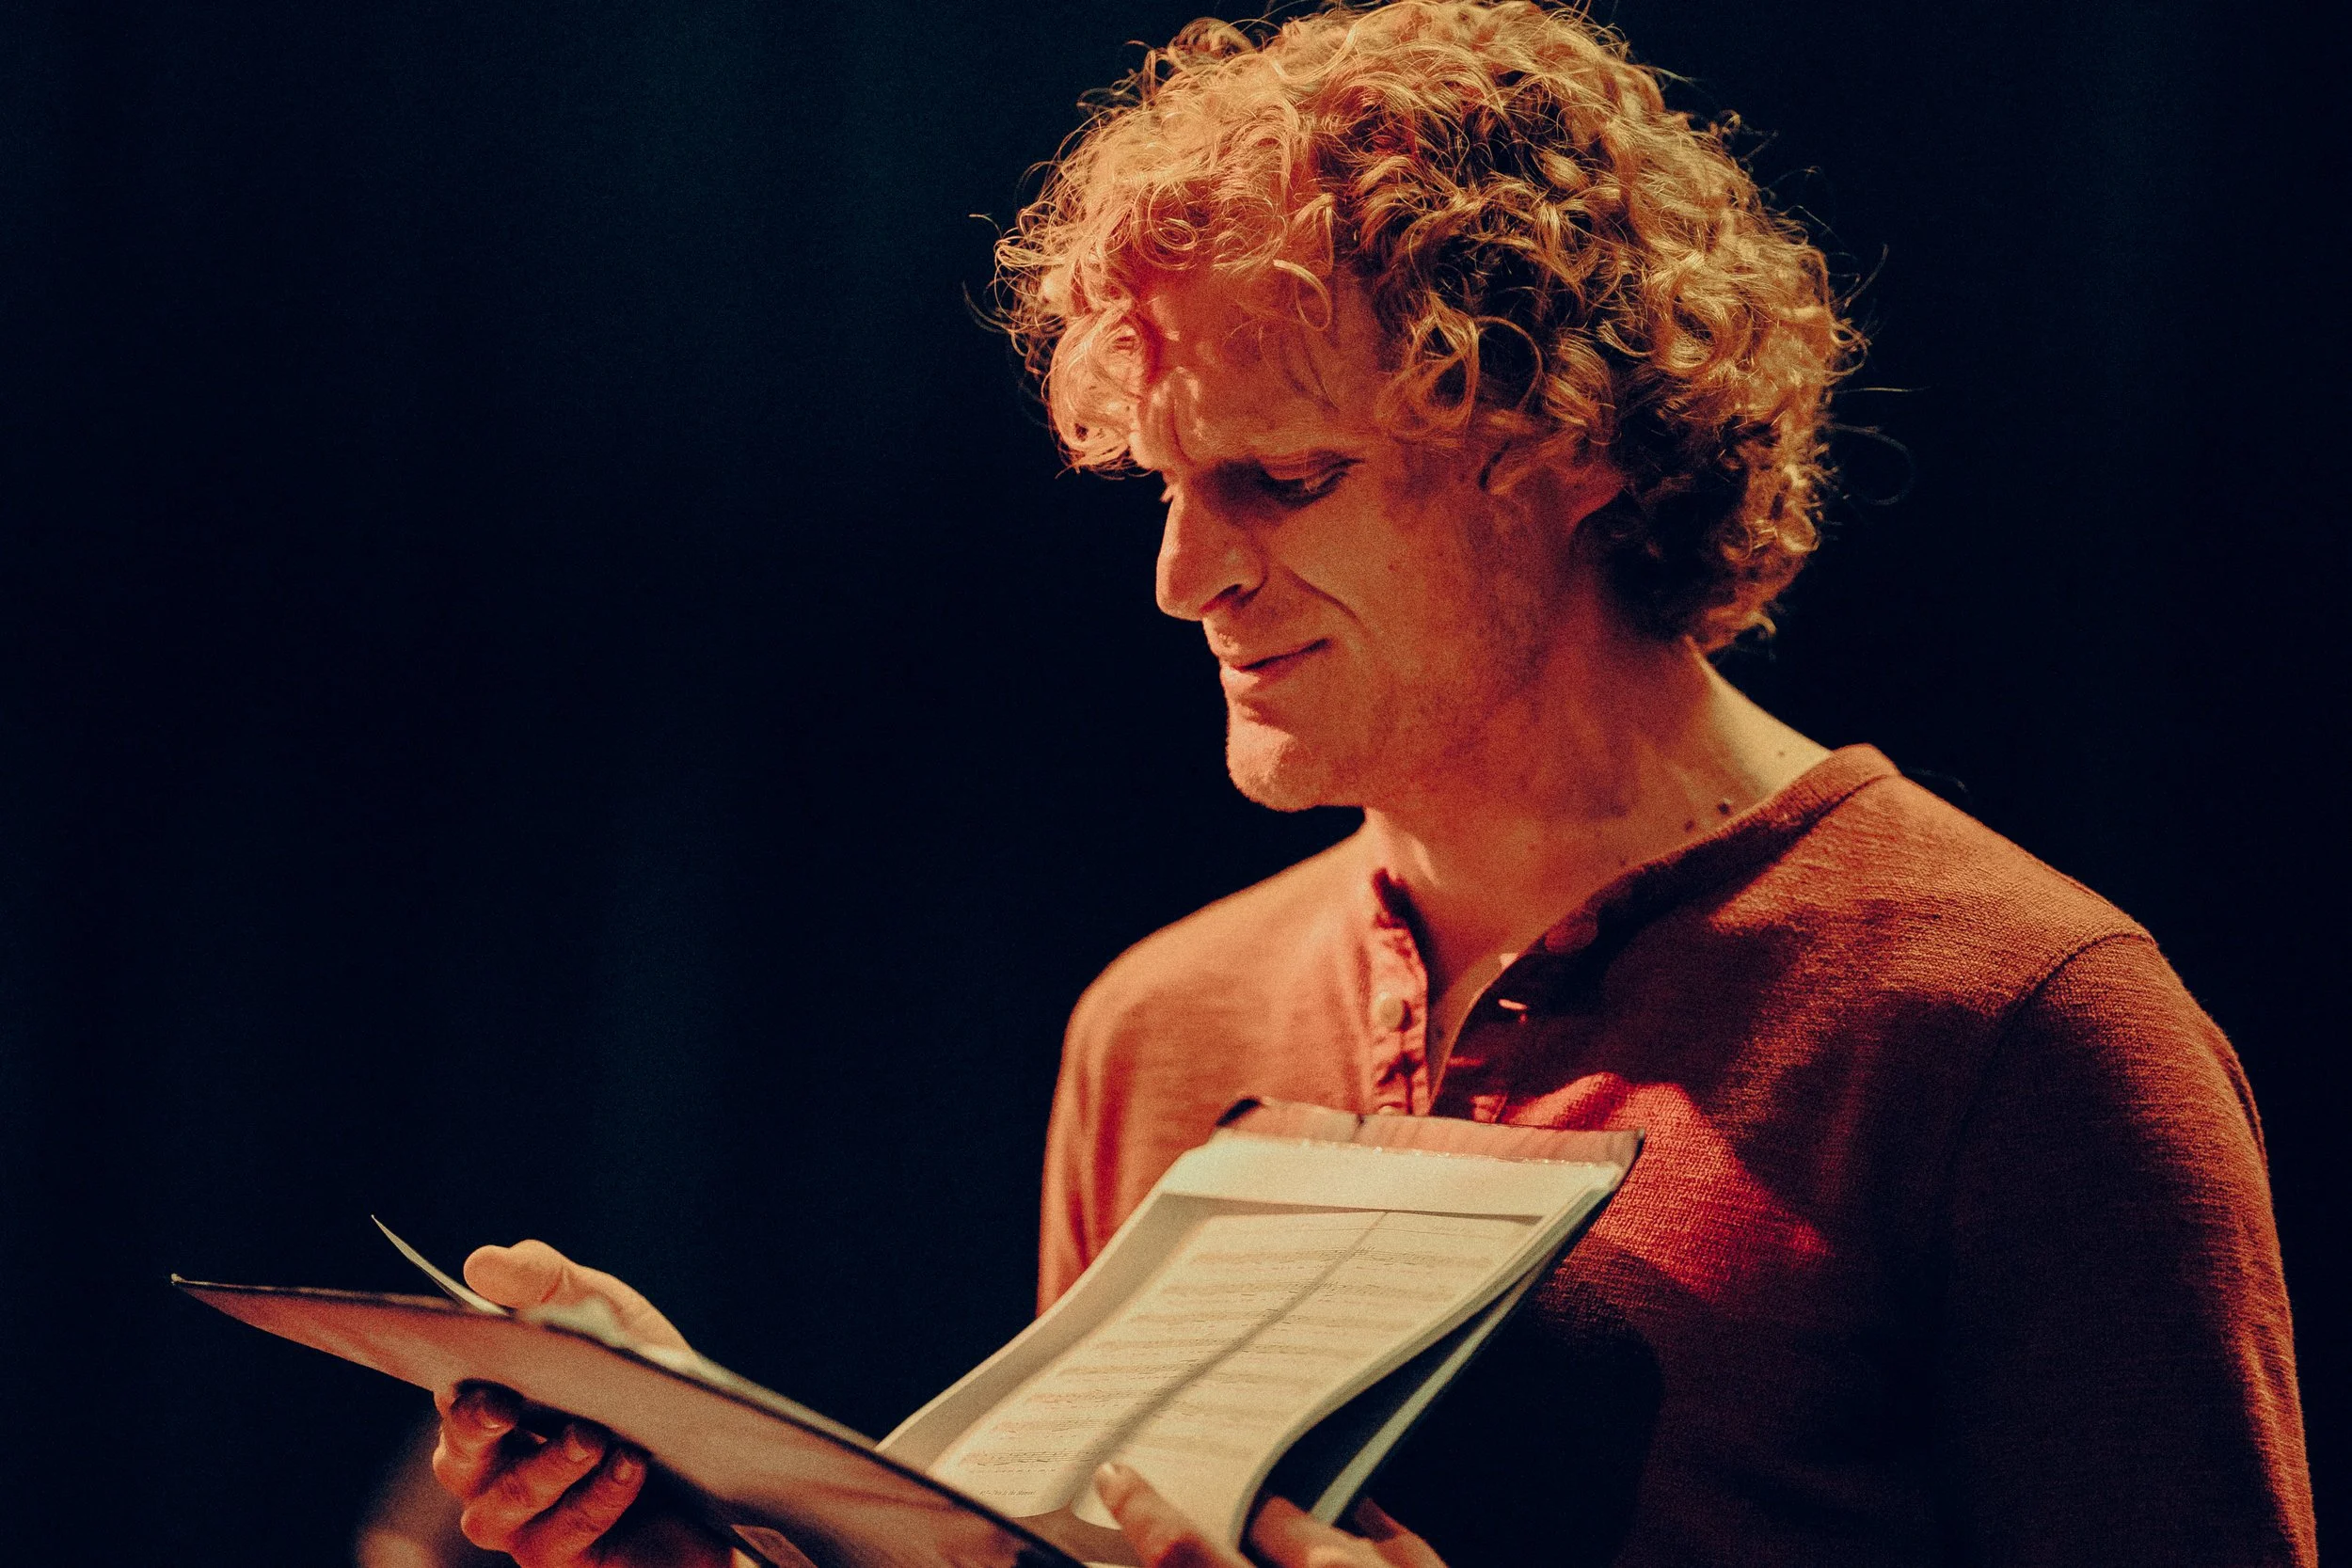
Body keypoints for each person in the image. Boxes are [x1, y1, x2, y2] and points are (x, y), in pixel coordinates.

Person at [423, 4, 2315, 1564]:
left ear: (1572, 437)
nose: (1184, 576)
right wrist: (708, 1524)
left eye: (1283, 478)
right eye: (1163, 486)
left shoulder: (2014, 1029)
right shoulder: (1164, 1024)